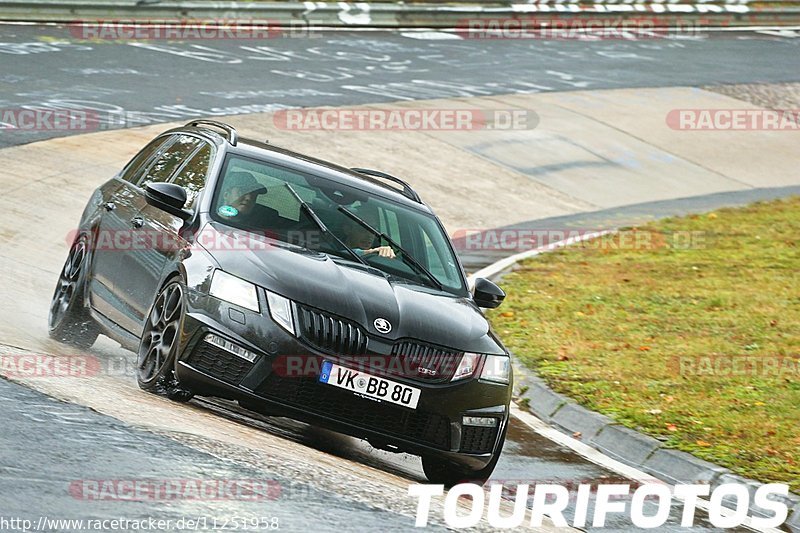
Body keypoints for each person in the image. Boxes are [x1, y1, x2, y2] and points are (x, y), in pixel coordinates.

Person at [218, 171, 282, 231]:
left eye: (254, 195)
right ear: (226, 195)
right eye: (242, 192)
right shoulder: (210, 220)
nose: (249, 198)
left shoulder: (261, 229)